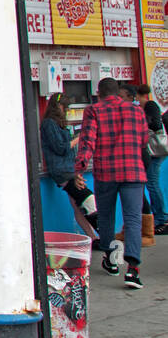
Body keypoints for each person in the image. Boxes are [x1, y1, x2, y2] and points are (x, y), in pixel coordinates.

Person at [76, 77, 150, 290]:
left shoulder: (94, 110)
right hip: (134, 172)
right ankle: (133, 270)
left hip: (106, 173)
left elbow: (88, 141)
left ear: (99, 93)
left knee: (106, 216)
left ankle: (110, 259)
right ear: (117, 92)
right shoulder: (136, 111)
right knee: (133, 219)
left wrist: (79, 168)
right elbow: (144, 140)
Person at [39, 94, 99, 241]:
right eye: (64, 107)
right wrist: (79, 138)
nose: (65, 110)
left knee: (78, 206)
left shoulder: (57, 124)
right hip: (62, 170)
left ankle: (93, 238)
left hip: (69, 169)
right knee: (87, 200)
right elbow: (61, 148)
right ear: (58, 107)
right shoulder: (49, 124)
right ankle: (102, 234)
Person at [134, 85, 168, 235]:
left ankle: (162, 219)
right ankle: (159, 218)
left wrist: (141, 121)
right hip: (151, 152)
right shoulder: (145, 106)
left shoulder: (150, 105)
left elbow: (155, 124)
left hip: (156, 151)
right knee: (150, 183)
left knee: (152, 183)